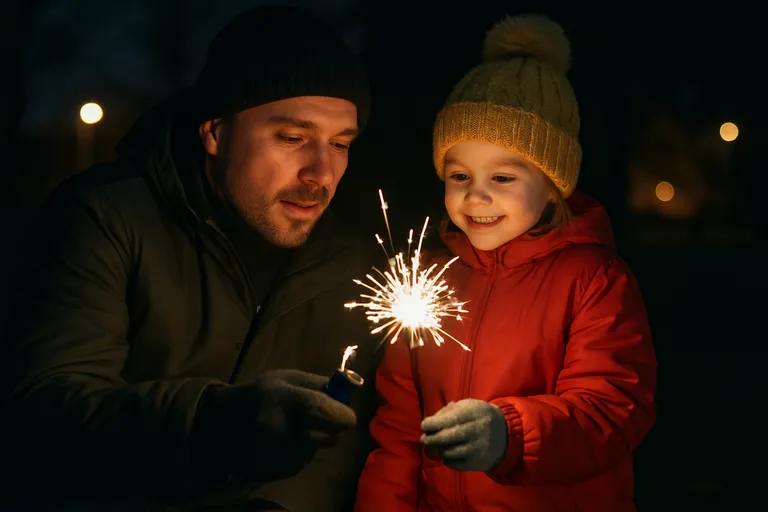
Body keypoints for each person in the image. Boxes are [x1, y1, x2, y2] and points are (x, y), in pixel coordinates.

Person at [3, 5, 380, 511]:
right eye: (291, 137)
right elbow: (44, 415)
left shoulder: (354, 262)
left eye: (340, 144)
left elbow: (345, 455)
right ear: (215, 133)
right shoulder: (105, 219)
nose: (321, 171)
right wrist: (212, 425)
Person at [355, 14, 657, 511]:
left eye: (503, 178)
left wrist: (509, 435)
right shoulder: (426, 282)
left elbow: (611, 409)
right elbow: (400, 430)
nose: (476, 195)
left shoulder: (593, 281)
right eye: (459, 175)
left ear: (553, 183)